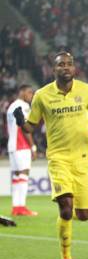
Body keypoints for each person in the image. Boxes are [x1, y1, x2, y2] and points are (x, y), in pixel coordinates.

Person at [16, 52, 88, 259]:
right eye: (61, 65)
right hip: (58, 159)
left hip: (82, 159)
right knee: (65, 208)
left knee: (83, 216)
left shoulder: (87, 91)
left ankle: (69, 219)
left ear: (74, 68)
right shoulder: (42, 95)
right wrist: (20, 122)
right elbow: (31, 126)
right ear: (53, 70)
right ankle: (66, 258)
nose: (66, 67)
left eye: (69, 64)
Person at [6, 84, 37, 216]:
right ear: (22, 92)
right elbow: (24, 128)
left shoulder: (11, 106)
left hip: (12, 145)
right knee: (24, 173)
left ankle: (16, 207)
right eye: (29, 93)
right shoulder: (23, 106)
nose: (31, 96)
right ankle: (22, 207)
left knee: (17, 176)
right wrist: (33, 146)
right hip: (21, 145)